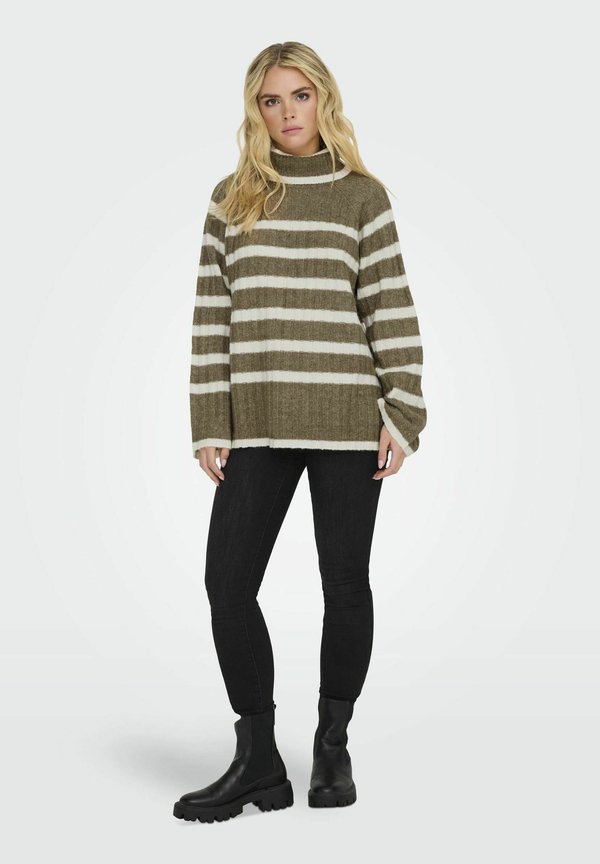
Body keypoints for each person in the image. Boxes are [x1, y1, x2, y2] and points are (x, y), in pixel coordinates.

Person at [173, 41, 427, 823]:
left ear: (324, 99)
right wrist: (209, 421)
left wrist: (404, 413)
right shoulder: (232, 199)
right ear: (255, 110)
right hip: (256, 423)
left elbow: (390, 307)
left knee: (345, 585)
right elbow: (212, 317)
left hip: (349, 423)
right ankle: (258, 760)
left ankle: (332, 747)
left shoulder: (362, 197)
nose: (287, 113)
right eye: (271, 100)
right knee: (227, 586)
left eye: (300, 96)